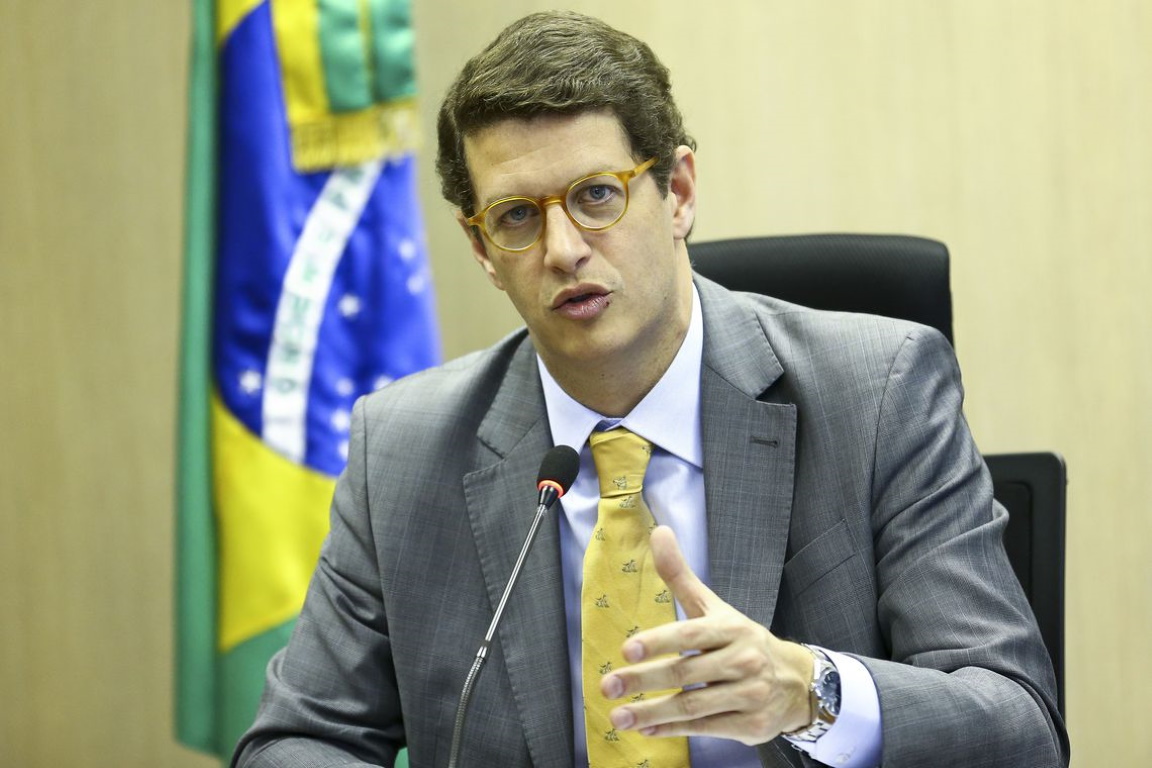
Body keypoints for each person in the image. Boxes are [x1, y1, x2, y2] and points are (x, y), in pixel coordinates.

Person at [233, 11, 1068, 768]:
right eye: (517, 216)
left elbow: (1020, 727)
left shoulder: (878, 394)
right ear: (481, 248)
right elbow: (296, 741)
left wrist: (807, 692)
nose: (563, 249)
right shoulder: (404, 451)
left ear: (679, 194)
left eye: (597, 196)